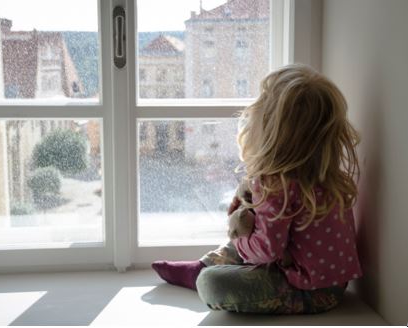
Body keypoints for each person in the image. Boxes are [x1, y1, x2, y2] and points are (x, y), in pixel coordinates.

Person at [152, 64, 363, 314]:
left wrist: (239, 237)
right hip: (334, 284)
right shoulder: (327, 176)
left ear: (270, 133)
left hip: (307, 291)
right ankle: (203, 265)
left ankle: (202, 272)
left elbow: (265, 251)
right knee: (248, 238)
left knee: (212, 282)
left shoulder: (275, 184)